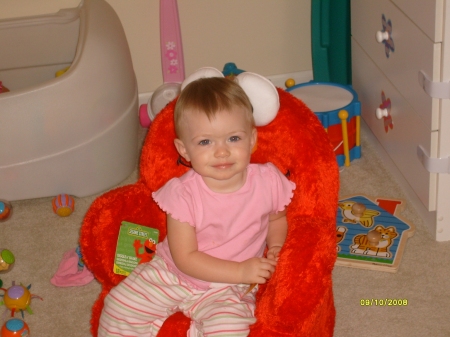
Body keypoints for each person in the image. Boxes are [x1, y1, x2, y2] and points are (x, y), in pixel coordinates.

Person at [98, 77, 296, 337]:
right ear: (185, 150)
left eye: (233, 138)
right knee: (118, 308)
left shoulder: (268, 181)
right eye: (205, 142)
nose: (222, 152)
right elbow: (185, 258)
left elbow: (276, 219)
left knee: (230, 328)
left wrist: (277, 245)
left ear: (252, 140)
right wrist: (241, 270)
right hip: (173, 274)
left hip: (229, 287)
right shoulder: (183, 194)